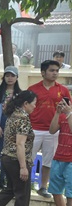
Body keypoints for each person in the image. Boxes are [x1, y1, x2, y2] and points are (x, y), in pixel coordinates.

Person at [28, 60, 70, 198]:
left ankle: (43, 187)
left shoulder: (63, 90)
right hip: (34, 128)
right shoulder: (33, 89)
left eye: (57, 71)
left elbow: (68, 110)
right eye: (52, 70)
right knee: (29, 159)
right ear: (43, 72)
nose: (55, 73)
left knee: (48, 161)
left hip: (53, 131)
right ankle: (25, 185)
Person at [0, 66, 21, 188]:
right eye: (7, 75)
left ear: (17, 77)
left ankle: (3, 180)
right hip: (1, 122)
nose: (10, 78)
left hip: (13, 125)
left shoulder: (19, 94)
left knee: (8, 154)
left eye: (13, 76)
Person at [47, 97, 72, 206]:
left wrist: (68, 114)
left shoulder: (68, 114)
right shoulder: (64, 113)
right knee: (55, 190)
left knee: (70, 194)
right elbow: (52, 130)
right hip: (59, 157)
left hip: (71, 160)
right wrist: (57, 113)